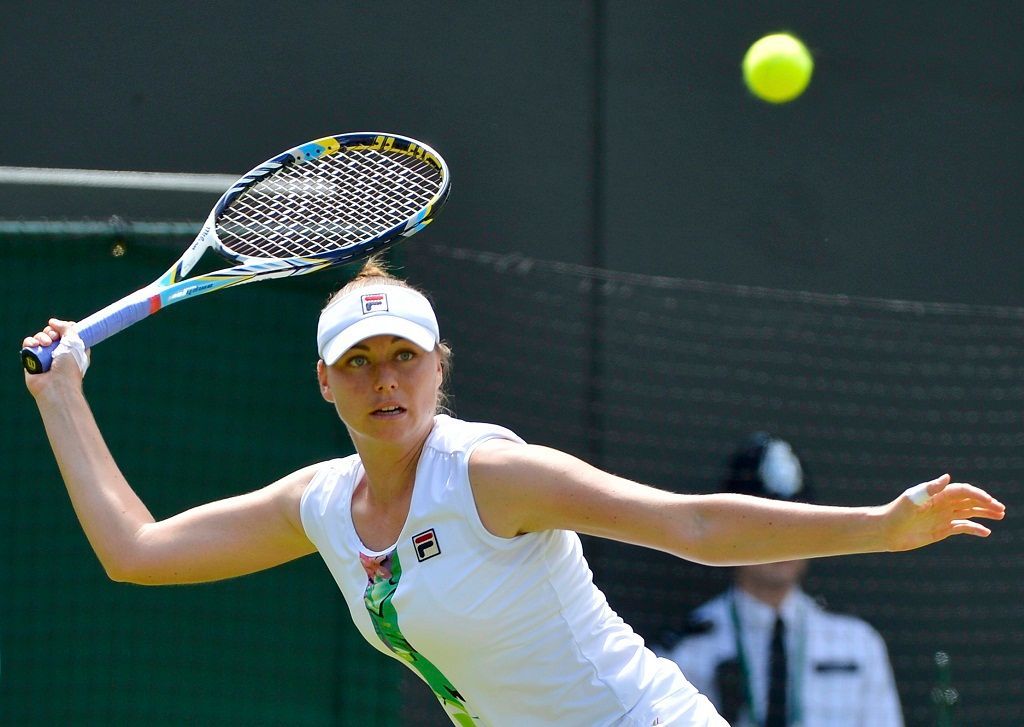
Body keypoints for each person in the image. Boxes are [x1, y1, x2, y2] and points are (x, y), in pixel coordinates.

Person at [23, 258, 1004, 727]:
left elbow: (690, 524)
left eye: (402, 356)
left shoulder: (491, 474)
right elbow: (136, 551)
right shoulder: (318, 504)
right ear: (324, 381)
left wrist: (882, 527)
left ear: (439, 366)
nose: (383, 381)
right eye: (357, 362)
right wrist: (62, 399)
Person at [661, 433, 905, 727]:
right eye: (765, 525)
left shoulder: (859, 645)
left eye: (798, 524)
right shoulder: (684, 652)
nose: (784, 540)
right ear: (727, 532)